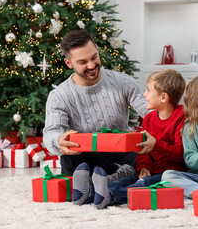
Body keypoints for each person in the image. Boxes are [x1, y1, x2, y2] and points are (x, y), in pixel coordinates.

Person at [71, 69, 187, 208]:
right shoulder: (149, 118)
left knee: (141, 185)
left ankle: (111, 197)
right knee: (126, 180)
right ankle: (88, 194)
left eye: (148, 90)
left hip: (169, 173)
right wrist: (144, 167)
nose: (144, 94)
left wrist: (156, 144)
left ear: (163, 97)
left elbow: (180, 154)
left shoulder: (181, 117)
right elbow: (142, 150)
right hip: (150, 170)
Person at [43, 29, 148, 178]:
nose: (92, 65)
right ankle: (116, 176)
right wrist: (58, 140)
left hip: (122, 152)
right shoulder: (59, 96)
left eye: (94, 57)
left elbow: (153, 113)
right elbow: (51, 132)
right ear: (68, 63)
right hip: (86, 155)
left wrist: (153, 137)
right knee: (68, 159)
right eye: (83, 62)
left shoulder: (122, 81)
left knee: (148, 157)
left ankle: (103, 180)